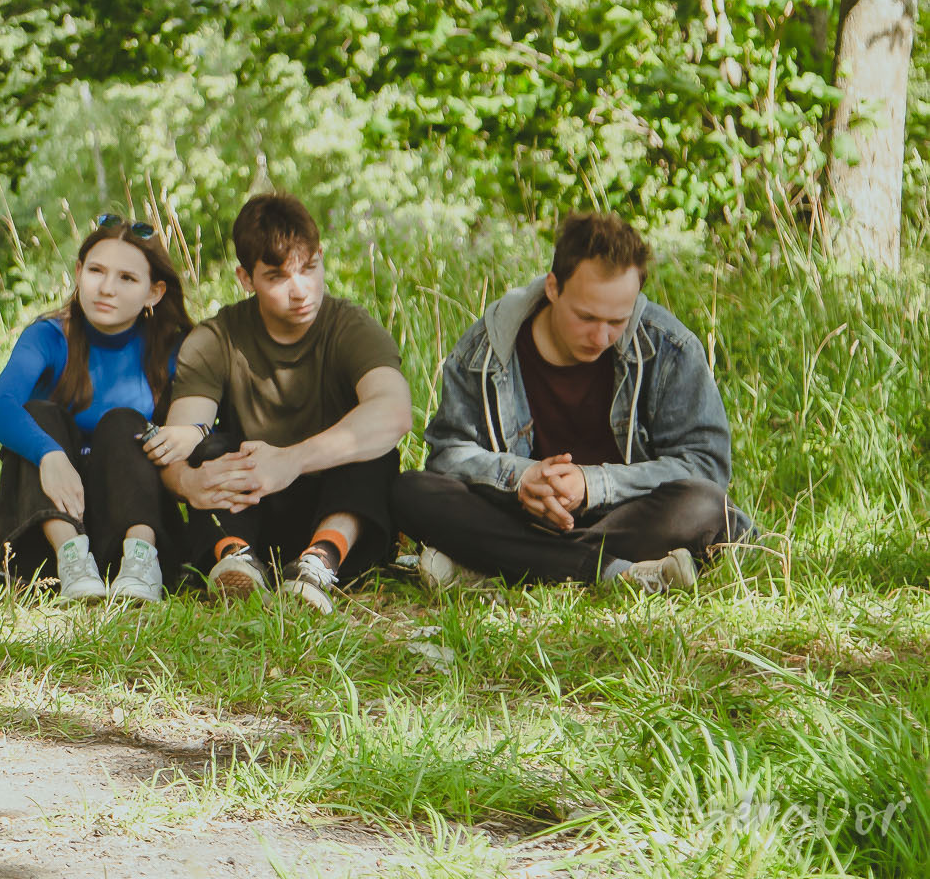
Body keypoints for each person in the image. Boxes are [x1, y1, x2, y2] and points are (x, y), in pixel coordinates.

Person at [393, 212, 747, 593]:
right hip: (517, 516)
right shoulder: (485, 348)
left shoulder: (669, 347)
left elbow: (705, 466)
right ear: (552, 288)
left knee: (706, 507)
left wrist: (592, 484)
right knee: (411, 491)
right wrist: (521, 479)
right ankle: (617, 573)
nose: (601, 337)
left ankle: (498, 565)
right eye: (586, 317)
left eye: (617, 321)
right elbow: (447, 455)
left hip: (622, 519)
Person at [154, 194, 412, 613]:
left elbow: (395, 412)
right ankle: (236, 560)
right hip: (251, 510)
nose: (300, 291)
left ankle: (319, 563)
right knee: (213, 447)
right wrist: (186, 482)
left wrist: (291, 460)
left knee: (373, 449)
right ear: (245, 278)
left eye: (309, 268)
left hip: (335, 510)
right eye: (277, 277)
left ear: (321, 256)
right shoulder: (215, 339)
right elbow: (181, 441)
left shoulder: (350, 327)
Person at [0, 215, 195, 603]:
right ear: (79, 272)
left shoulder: (173, 347)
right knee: (38, 415)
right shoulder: (49, 335)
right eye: (96, 271)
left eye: (127, 278)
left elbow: (207, 420)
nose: (107, 288)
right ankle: (73, 561)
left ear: (154, 292)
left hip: (133, 524)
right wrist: (49, 454)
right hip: (48, 544)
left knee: (125, 422)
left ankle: (141, 565)